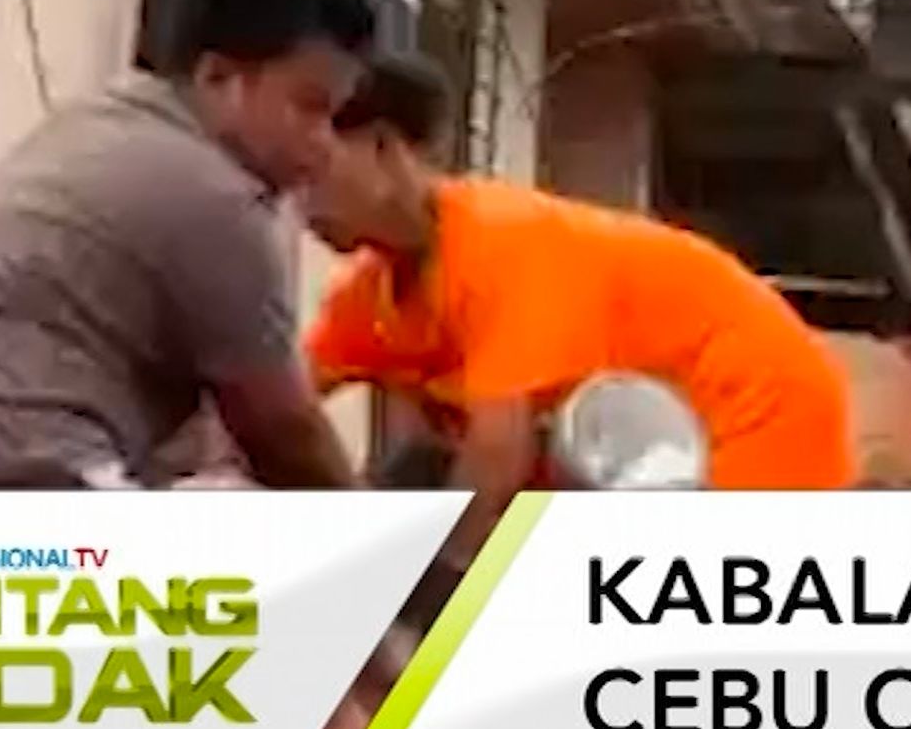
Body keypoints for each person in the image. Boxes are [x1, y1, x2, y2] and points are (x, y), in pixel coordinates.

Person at [301, 54, 860, 561]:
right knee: (414, 486)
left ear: (384, 147)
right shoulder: (368, 293)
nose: (299, 201)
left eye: (314, 174)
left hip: (752, 417)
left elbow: (498, 456)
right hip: (631, 453)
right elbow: (269, 398)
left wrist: (414, 582)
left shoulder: (500, 241)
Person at [0, 0, 378, 491]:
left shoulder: (93, 124)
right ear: (219, 77)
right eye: (311, 108)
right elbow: (285, 435)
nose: (325, 145)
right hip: (27, 477)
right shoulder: (215, 200)